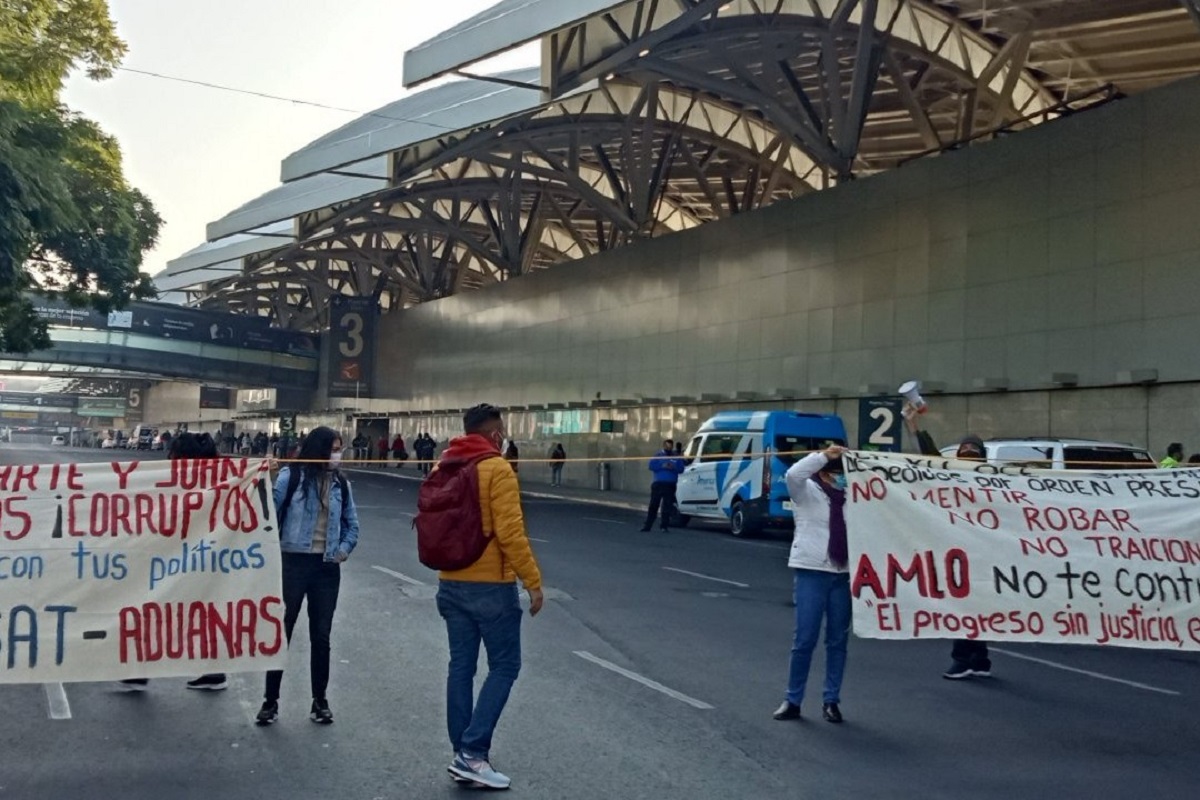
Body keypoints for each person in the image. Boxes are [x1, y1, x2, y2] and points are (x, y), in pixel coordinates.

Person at [435, 404, 543, 790]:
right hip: (491, 589)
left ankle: (461, 751)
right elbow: (511, 533)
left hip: (450, 582)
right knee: (505, 666)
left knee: (461, 666)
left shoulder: (443, 465)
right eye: (502, 430)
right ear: (493, 434)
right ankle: (473, 753)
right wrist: (532, 581)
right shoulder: (497, 468)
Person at [256, 426, 359, 726]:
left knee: (321, 636)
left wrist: (342, 549)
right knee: (282, 633)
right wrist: (267, 476)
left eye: (340, 449)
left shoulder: (341, 483)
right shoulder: (292, 477)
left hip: (327, 569)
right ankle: (270, 701)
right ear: (319, 450)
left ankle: (320, 700)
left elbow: (352, 524)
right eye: (333, 449)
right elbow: (268, 511)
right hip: (293, 564)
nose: (338, 455)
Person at [119, 432, 229, 692]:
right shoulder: (217, 473)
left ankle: (141, 669)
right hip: (194, 556)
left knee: (160, 608)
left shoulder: (199, 477)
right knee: (191, 612)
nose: (169, 459)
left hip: (193, 556)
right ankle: (212, 671)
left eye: (174, 455)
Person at [903, 405, 993, 680]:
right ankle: (977, 659)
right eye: (964, 454)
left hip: (983, 552)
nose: (968, 459)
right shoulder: (950, 475)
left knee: (973, 605)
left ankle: (966, 659)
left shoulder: (993, 480)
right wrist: (913, 424)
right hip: (960, 551)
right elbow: (931, 457)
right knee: (968, 603)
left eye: (973, 455)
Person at [773, 443, 850, 724]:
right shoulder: (806, 491)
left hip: (843, 573)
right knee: (804, 639)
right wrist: (822, 456)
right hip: (811, 570)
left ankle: (831, 700)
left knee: (838, 640)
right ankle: (793, 700)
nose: (835, 474)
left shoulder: (854, 493)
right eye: (831, 468)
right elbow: (793, 474)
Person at [640, 439, 680, 532]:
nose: (668, 448)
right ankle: (647, 526)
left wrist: (673, 467)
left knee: (667, 506)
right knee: (654, 505)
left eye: (670, 446)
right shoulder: (658, 455)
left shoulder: (676, 457)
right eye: (667, 446)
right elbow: (651, 466)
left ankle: (664, 526)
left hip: (670, 485)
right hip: (658, 484)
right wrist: (662, 466)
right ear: (663, 446)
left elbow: (681, 468)